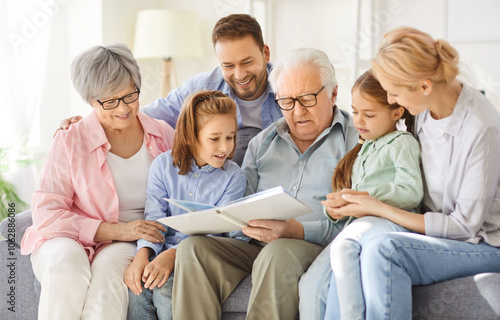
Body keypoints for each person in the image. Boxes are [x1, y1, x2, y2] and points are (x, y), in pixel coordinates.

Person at [171, 48, 359, 320]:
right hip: (256, 245)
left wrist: (297, 231)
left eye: (307, 98)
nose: (297, 111)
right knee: (193, 249)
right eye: (286, 101)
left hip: (315, 246)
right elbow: (242, 203)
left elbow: (360, 221)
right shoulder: (263, 143)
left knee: (278, 251)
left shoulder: (356, 142)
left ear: (333, 93)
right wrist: (231, 220)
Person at [328, 26, 500, 319]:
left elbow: (464, 227)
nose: (393, 102)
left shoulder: (480, 128)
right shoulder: (422, 113)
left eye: (394, 93)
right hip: (434, 232)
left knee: (386, 250)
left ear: (424, 86)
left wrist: (379, 207)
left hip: (481, 244)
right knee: (358, 247)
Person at [20, 43, 175, 320]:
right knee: (67, 265)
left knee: (110, 272)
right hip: (68, 237)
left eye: (130, 96)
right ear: (91, 100)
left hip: (131, 242)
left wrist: (135, 235)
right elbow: (46, 215)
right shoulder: (70, 139)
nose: (124, 108)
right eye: (110, 101)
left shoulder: (162, 135)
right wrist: (116, 230)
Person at [58, 14, 282, 165]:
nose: (239, 74)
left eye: (247, 62)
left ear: (266, 54)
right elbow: (141, 116)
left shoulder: (289, 88)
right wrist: (87, 125)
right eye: (228, 66)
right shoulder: (201, 88)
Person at [125, 90, 247, 320]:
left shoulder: (234, 177)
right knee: (137, 290)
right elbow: (154, 218)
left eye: (230, 137)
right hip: (158, 251)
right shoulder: (163, 166)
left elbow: (217, 232)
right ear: (191, 135)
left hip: (197, 259)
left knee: (166, 289)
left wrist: (172, 256)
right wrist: (142, 255)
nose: (225, 147)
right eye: (215, 138)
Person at [322, 70, 423, 320]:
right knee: (320, 281)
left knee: (344, 247)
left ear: (396, 112)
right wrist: (336, 210)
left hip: (394, 222)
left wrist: (365, 197)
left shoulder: (401, 142)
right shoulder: (365, 147)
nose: (359, 121)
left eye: (369, 114)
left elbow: (412, 190)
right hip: (364, 225)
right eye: (355, 112)